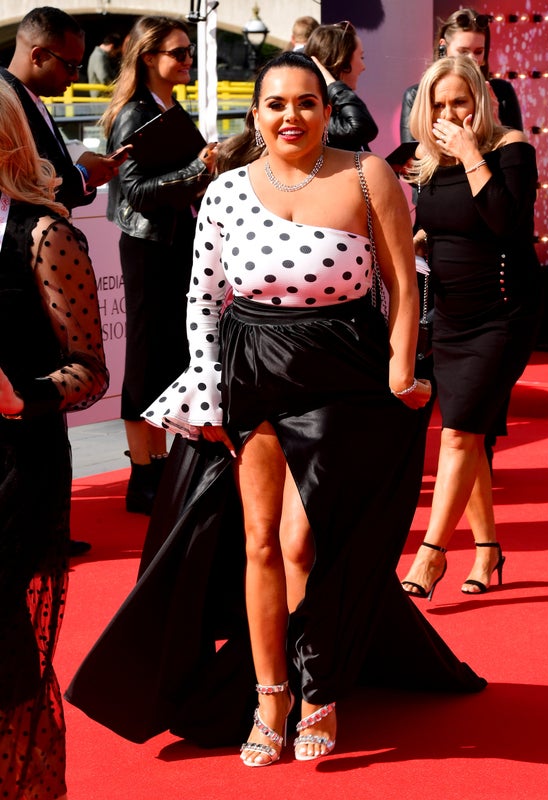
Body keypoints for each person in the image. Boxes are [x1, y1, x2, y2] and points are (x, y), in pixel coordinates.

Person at [66, 52, 485, 767]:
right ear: (254, 115)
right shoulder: (226, 190)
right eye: (274, 104)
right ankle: (271, 697)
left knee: (301, 542)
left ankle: (317, 686)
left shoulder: (365, 175)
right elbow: (201, 297)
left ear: (326, 110)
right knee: (257, 542)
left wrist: (397, 367)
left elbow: (400, 284)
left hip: (339, 372)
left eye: (306, 103)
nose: (290, 116)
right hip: (251, 366)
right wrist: (206, 380)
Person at [0, 80, 108, 800]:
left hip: (12, 474)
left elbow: (91, 371)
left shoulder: (43, 233)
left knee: (5, 667)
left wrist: (24, 395)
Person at [399, 56, 542, 600]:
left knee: (458, 433)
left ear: (480, 98)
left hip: (504, 310)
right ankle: (488, 551)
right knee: (468, 429)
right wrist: (416, 241)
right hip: (452, 314)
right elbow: (431, 224)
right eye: (438, 104)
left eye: (459, 101)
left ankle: (430, 554)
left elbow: (508, 222)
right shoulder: (428, 160)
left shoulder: (511, 149)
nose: (449, 113)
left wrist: (470, 153)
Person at [101, 15, 217, 514]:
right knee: (147, 355)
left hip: (174, 243)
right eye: (179, 53)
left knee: (172, 353)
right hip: (149, 246)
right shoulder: (135, 114)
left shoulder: (167, 106)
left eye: (189, 51)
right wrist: (199, 167)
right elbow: (136, 193)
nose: (187, 59)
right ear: (149, 57)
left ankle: (161, 465)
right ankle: (142, 473)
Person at [0, 7, 127, 212]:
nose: (75, 77)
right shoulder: (5, 104)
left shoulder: (31, 98)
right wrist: (83, 175)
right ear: (39, 56)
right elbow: (20, 197)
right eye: (70, 66)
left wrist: (87, 176)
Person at [400, 8, 523, 144]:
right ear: (443, 48)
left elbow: (517, 153)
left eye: (478, 51)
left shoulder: (501, 92)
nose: (472, 59)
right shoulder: (415, 95)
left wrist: (494, 126)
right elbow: (410, 157)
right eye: (438, 105)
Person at [304, 20, 378, 151]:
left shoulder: (334, 105)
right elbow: (363, 128)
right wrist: (334, 85)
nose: (363, 67)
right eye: (361, 57)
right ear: (342, 62)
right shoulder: (313, 108)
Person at [87, 31, 123, 96]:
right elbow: (104, 78)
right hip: (101, 99)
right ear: (112, 46)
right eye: (117, 53)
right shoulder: (98, 56)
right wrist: (118, 90)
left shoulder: (101, 56)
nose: (115, 55)